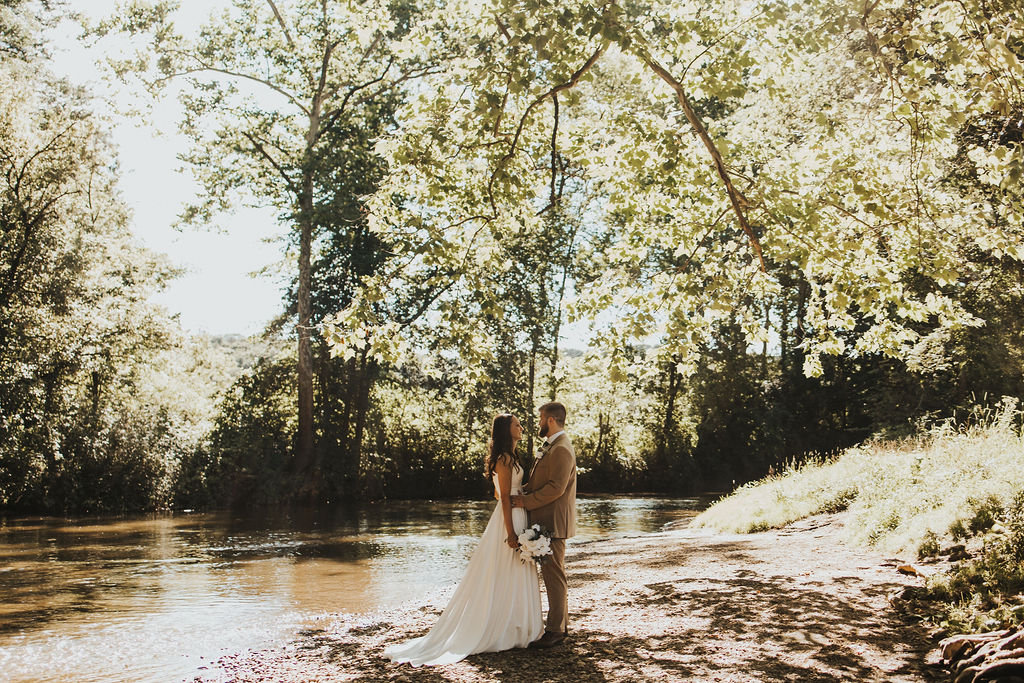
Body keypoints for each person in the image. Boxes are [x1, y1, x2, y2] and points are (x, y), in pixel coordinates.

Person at [383, 413, 543, 666]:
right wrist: (511, 530)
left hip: (517, 511)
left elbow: (497, 492)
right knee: (504, 569)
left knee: (516, 567)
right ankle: (502, 627)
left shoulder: (512, 457)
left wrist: (519, 495)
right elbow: (500, 497)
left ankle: (515, 624)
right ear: (505, 430)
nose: (521, 427)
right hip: (509, 519)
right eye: (517, 424)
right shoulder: (503, 459)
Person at [510, 401, 577, 649]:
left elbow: (556, 488)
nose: (538, 423)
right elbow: (542, 482)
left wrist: (524, 501)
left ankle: (556, 630)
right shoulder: (552, 446)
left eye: (540, 418)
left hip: (553, 522)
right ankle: (561, 626)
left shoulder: (561, 448)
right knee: (554, 573)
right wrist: (522, 490)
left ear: (550, 420)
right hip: (546, 519)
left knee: (554, 575)